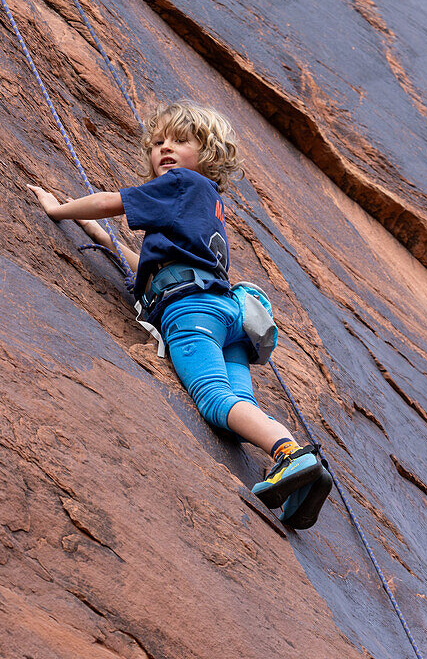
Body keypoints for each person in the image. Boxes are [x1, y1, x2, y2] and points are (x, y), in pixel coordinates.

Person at [28, 101, 331, 528]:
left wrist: (58, 210)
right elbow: (153, 264)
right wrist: (97, 235)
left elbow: (108, 202)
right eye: (157, 143)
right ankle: (302, 478)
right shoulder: (205, 205)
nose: (164, 149)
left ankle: (289, 454)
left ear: (207, 155)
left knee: (212, 398)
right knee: (238, 406)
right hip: (228, 317)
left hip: (191, 310)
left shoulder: (180, 183)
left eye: (180, 141)